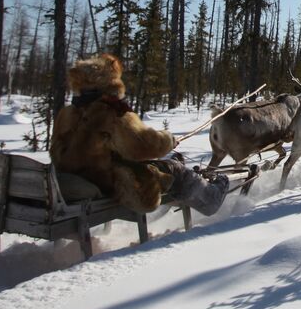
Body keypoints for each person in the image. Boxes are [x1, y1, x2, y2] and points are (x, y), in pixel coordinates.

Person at [51, 53, 230, 216]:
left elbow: (58, 152)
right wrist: (168, 140)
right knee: (175, 168)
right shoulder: (112, 112)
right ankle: (211, 199)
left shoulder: (67, 113)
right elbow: (142, 146)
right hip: (112, 183)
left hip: (75, 178)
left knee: (164, 166)